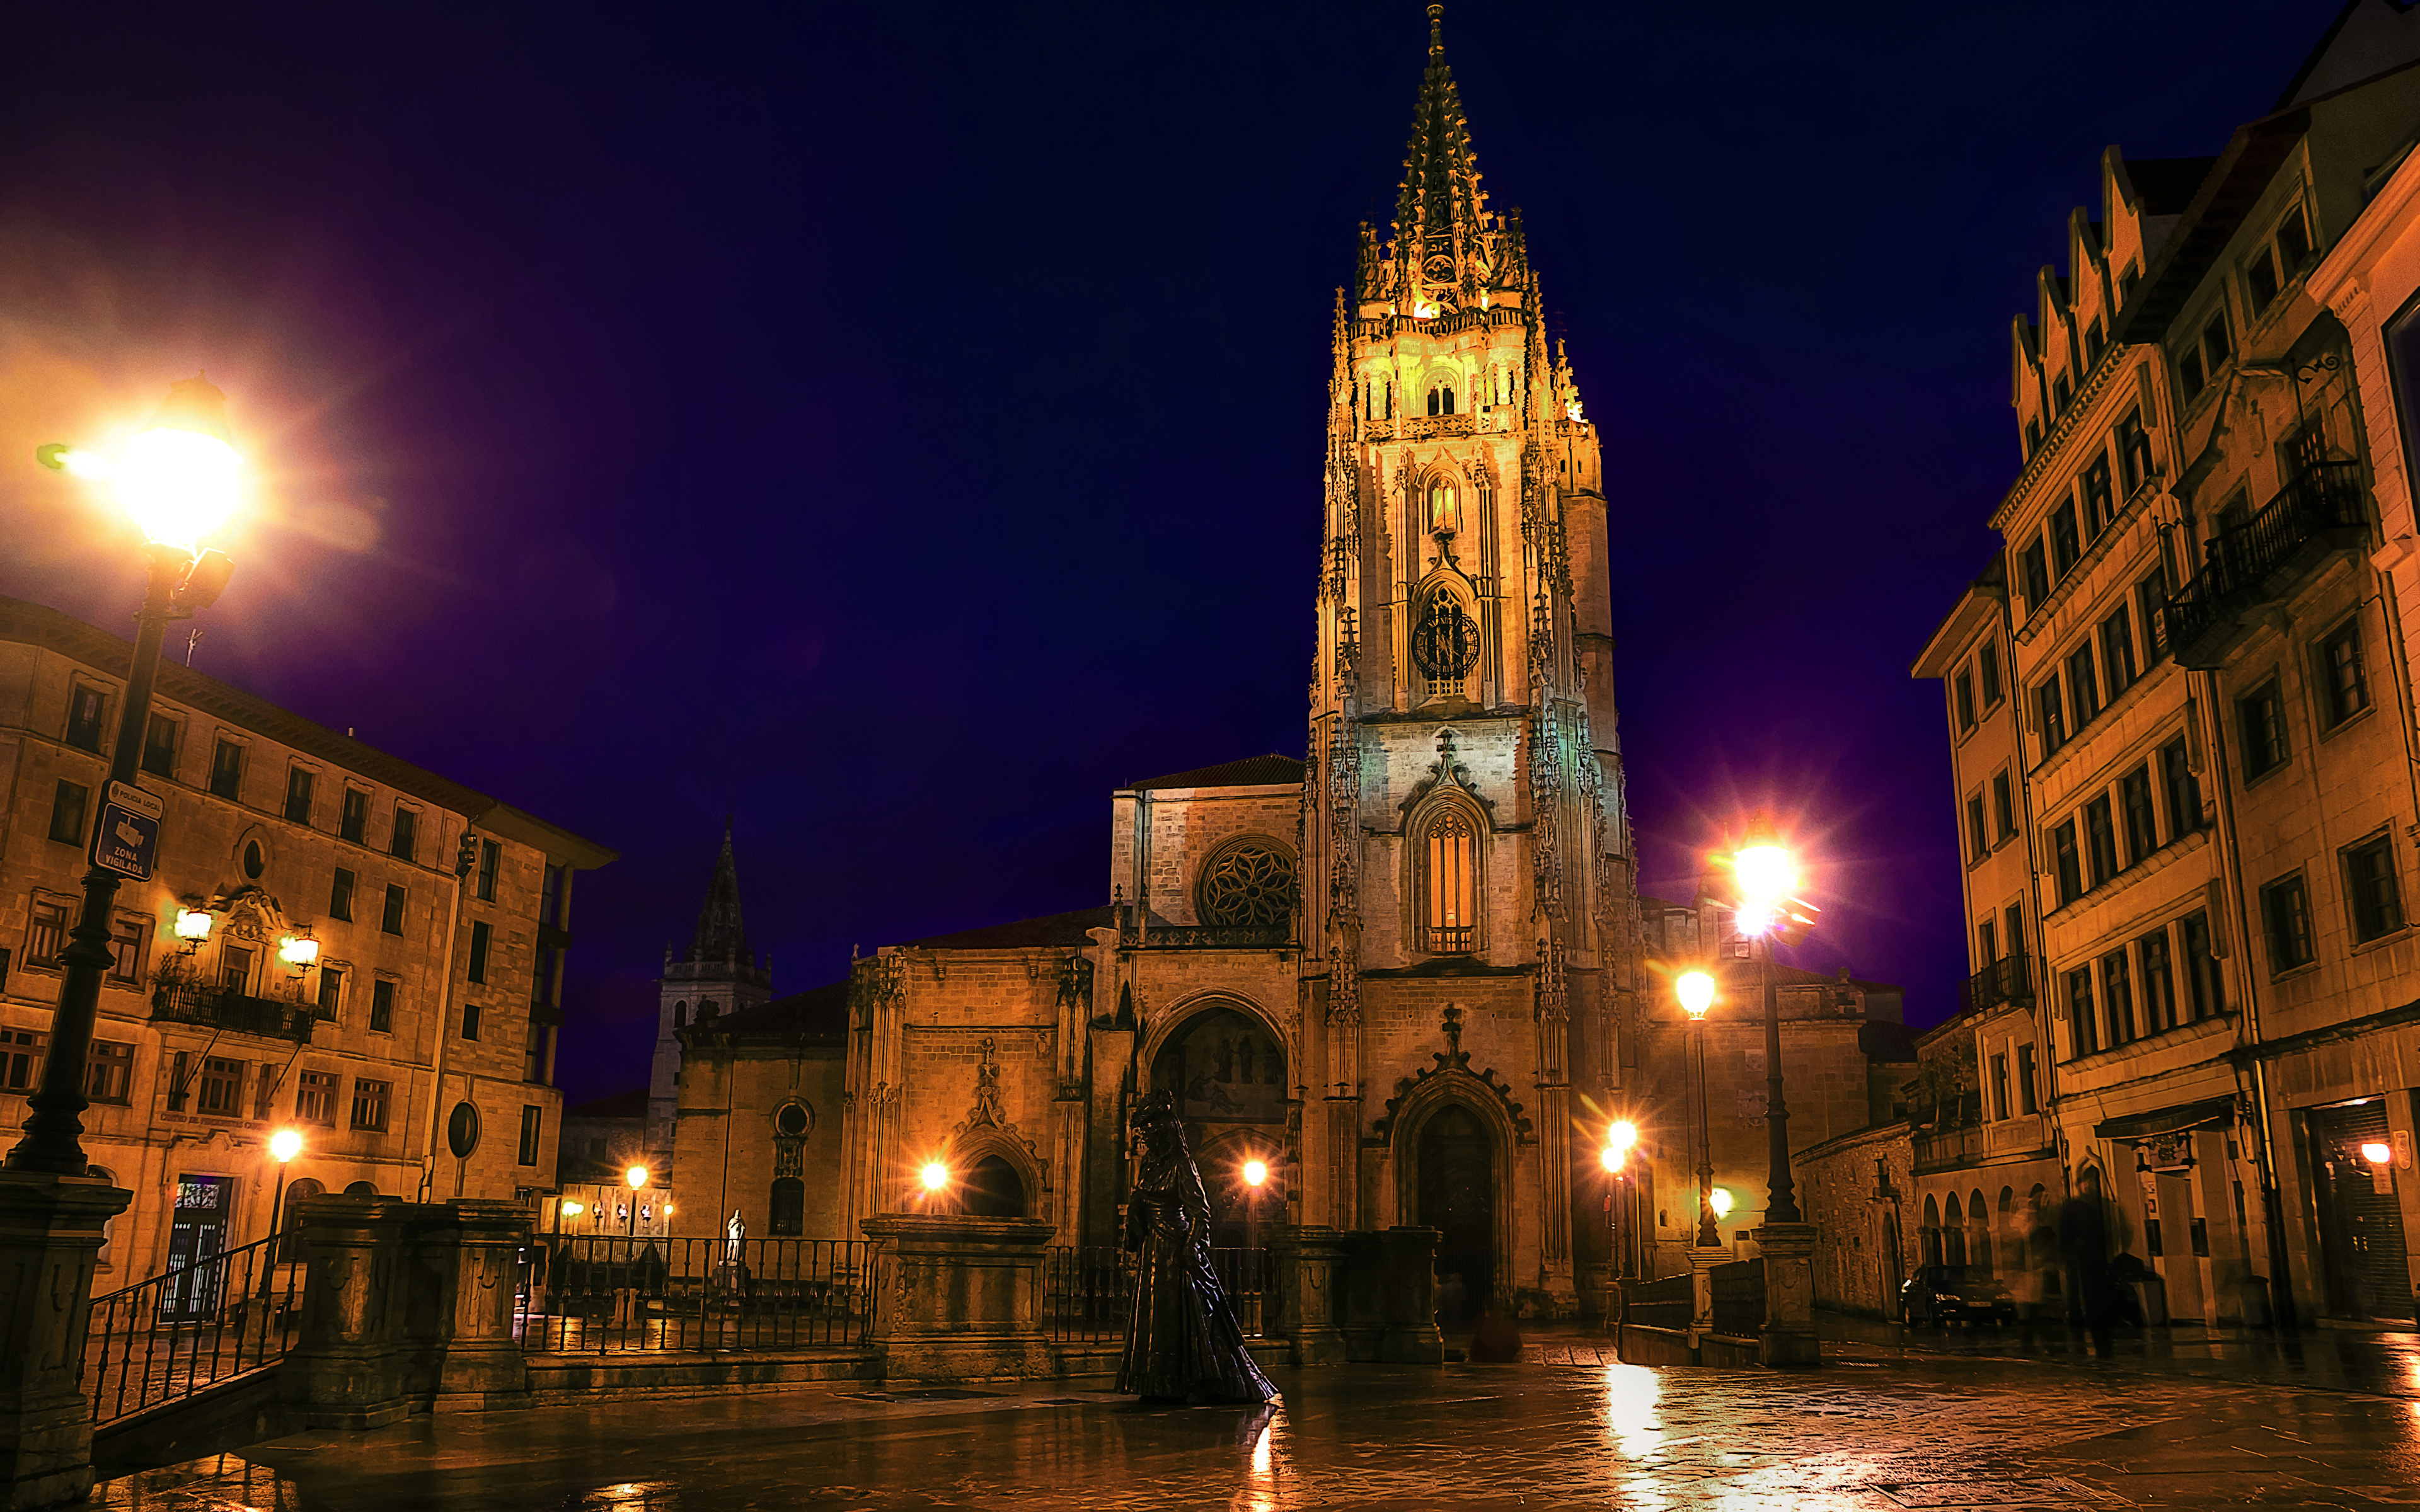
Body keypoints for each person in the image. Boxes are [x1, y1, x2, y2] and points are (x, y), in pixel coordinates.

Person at [1117, 1090, 1279, 1405]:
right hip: (1154, 1247)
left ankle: (1192, 1381)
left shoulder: (1182, 1165)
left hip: (1176, 1250)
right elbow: (1143, 1197)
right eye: (1143, 1132)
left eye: (1149, 1131)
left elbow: (1200, 1212)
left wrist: (1191, 1247)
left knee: (1183, 1316)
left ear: (1163, 1132)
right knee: (1155, 1317)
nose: (1145, 1138)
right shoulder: (1149, 1165)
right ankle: (1159, 1383)